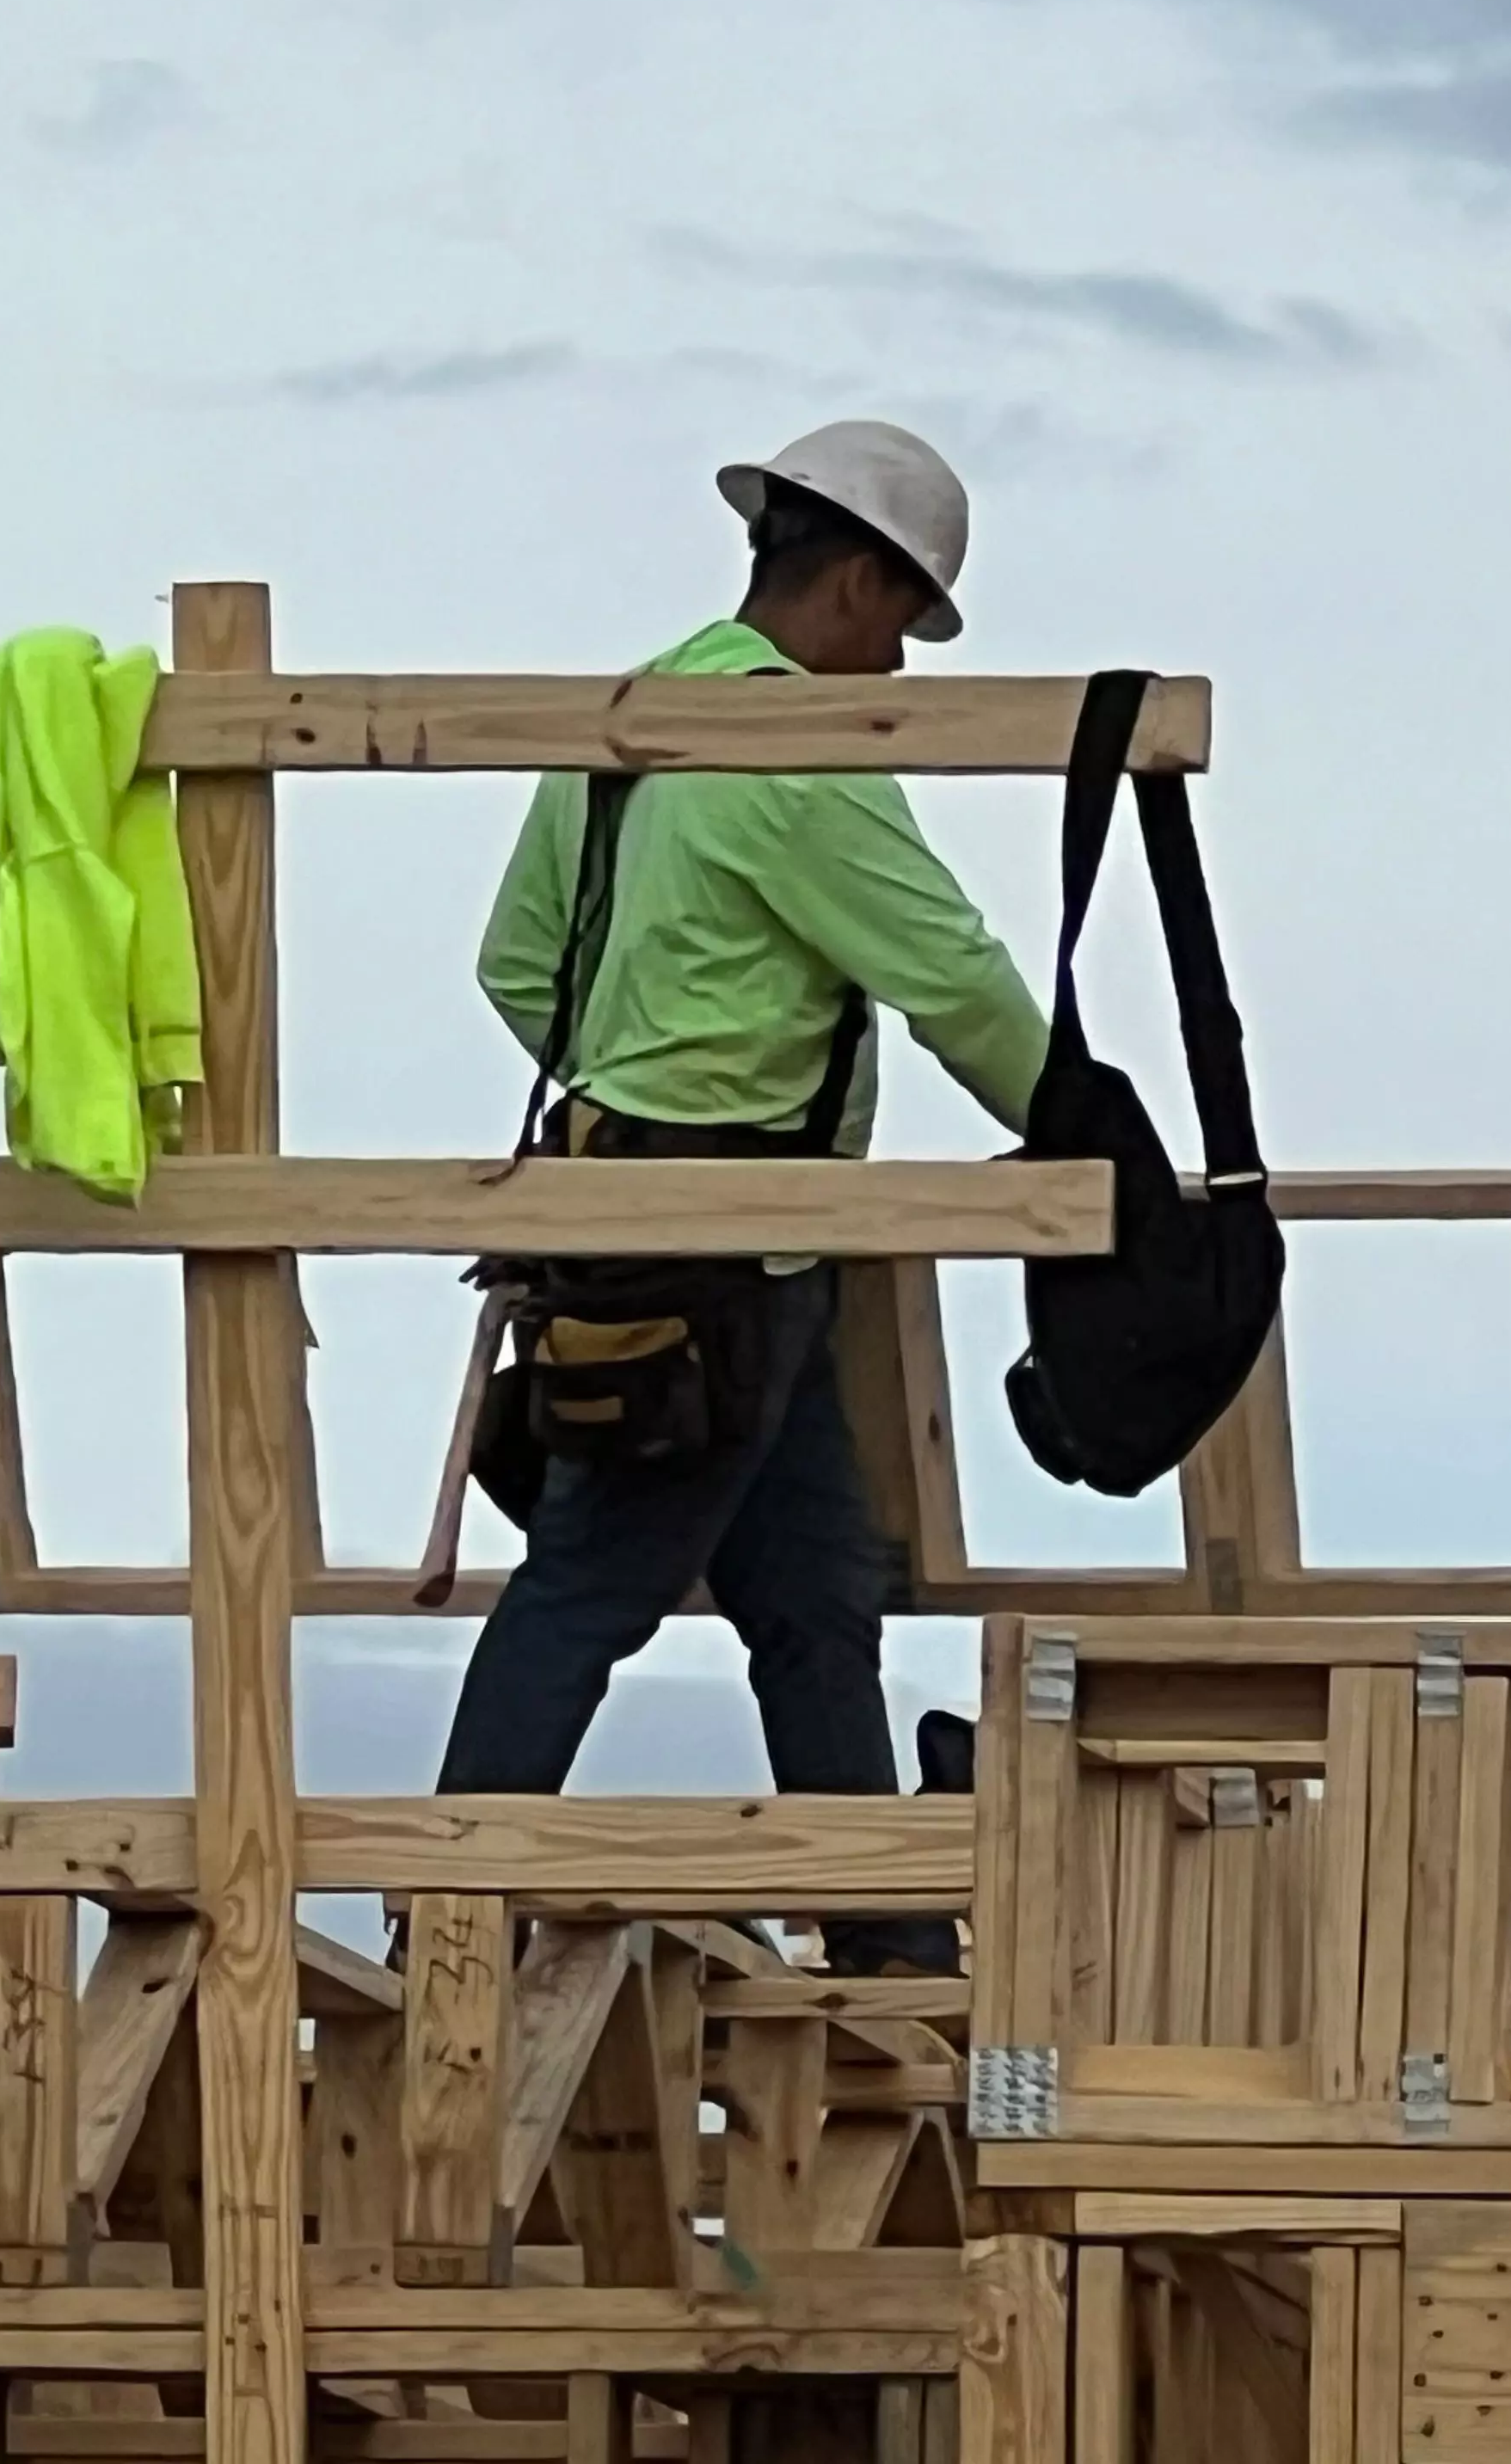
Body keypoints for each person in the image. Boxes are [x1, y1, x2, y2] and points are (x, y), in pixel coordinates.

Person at [435, 420, 1044, 1973]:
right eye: (902, 630)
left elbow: (519, 965)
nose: (897, 675)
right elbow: (950, 974)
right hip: (732, 1229)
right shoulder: (796, 753)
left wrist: (637, 1075)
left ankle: (889, 1938)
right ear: (855, 586)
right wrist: (1090, 1139)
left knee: (817, 1592)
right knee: (594, 1576)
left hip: (644, 1209)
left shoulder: (641, 716)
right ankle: (449, 1910)